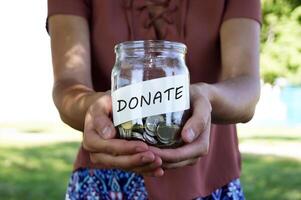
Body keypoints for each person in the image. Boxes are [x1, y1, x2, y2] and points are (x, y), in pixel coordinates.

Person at [47, 0, 261, 199]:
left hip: (212, 180)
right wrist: (93, 108)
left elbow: (246, 87)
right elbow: (68, 85)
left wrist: (208, 96)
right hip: (105, 180)